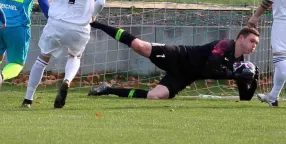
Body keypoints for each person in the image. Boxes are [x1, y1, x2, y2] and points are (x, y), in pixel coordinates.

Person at [22, 0, 106, 108]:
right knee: (74, 56)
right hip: (79, 26)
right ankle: (66, 81)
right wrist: (93, 15)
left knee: (43, 58)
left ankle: (28, 99)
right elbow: (101, 1)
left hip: (57, 23)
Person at [88, 23, 260, 100]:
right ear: (240, 38)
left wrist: (252, 81)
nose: (254, 46)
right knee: (139, 46)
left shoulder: (240, 63)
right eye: (252, 41)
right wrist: (233, 74)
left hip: (184, 76)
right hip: (177, 56)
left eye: (256, 44)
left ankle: (107, 89)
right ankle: (96, 24)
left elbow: (244, 98)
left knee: (154, 96)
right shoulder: (224, 45)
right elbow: (208, 70)